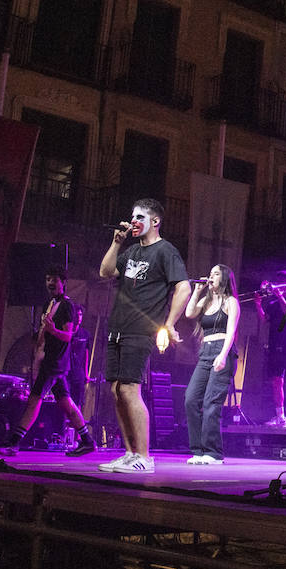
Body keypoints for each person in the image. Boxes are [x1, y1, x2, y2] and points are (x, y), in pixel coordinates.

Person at [99, 198, 191, 474]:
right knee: (115, 391)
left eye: (140, 217)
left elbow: (184, 288)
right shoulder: (131, 252)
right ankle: (130, 454)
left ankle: (144, 456)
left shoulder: (165, 251)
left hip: (140, 329)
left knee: (129, 389)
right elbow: (105, 272)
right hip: (117, 327)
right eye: (132, 216)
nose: (134, 221)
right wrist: (117, 242)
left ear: (155, 221)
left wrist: (170, 323)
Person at [0, 265, 97, 457]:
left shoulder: (66, 306)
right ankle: (87, 441)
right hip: (51, 362)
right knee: (67, 404)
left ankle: (13, 444)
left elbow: (68, 336)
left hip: (54, 363)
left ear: (63, 282)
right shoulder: (51, 304)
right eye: (48, 279)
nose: (50, 283)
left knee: (34, 400)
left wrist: (53, 331)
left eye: (54, 280)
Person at [183, 264, 241, 464]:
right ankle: (198, 451)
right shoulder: (206, 302)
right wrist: (197, 291)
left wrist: (223, 355)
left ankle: (214, 453)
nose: (210, 277)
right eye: (210, 274)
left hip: (221, 351)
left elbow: (231, 331)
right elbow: (189, 313)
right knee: (191, 398)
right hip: (205, 352)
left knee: (211, 402)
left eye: (215, 274)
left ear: (224, 278)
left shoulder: (231, 301)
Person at [257, 271, 286, 427]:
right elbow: (264, 320)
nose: (278, 285)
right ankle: (280, 416)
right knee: (277, 381)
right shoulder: (272, 304)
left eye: (282, 282)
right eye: (277, 282)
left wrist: (280, 296)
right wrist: (258, 304)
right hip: (275, 345)